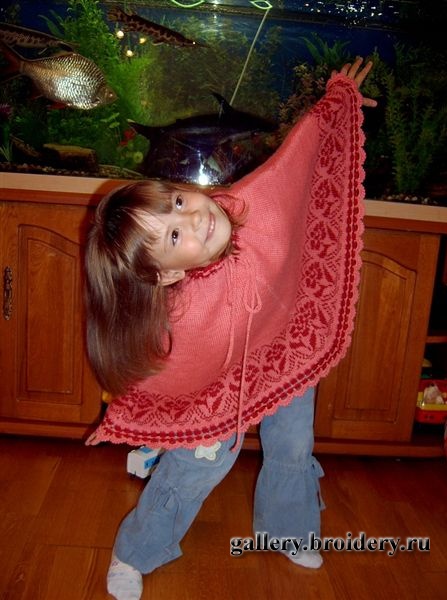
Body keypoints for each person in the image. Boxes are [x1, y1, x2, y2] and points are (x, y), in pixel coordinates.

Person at [84, 58, 377, 600]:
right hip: (220, 380)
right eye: (174, 237)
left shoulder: (244, 205)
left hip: (285, 344)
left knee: (293, 442)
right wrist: (173, 417)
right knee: (199, 462)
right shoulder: (176, 311)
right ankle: (137, 550)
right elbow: (171, 371)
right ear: (167, 274)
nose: (195, 218)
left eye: (177, 202)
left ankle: (288, 530)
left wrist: (337, 105)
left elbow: (293, 166)